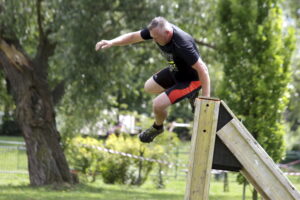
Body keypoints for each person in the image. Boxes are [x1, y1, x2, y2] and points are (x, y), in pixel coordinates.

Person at [95, 17, 210, 143]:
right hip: (176, 71)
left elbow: (203, 70)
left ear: (168, 33)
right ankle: (185, 95)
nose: (153, 39)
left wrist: (205, 101)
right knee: (149, 87)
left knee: (157, 105)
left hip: (192, 80)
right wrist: (111, 42)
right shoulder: (157, 30)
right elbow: (133, 37)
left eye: (156, 37)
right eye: (152, 36)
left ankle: (157, 127)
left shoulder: (182, 43)